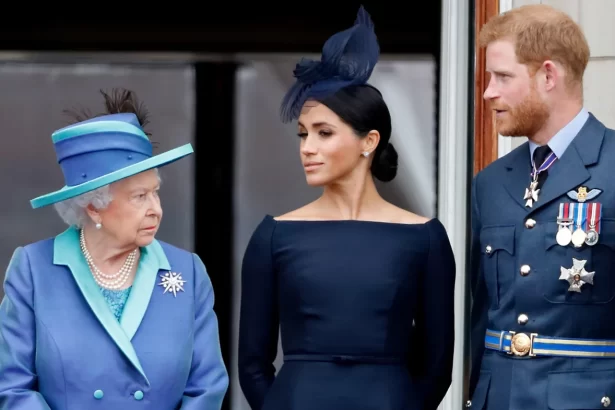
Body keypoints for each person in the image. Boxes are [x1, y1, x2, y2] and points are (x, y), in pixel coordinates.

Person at [238, 7, 456, 410]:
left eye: (324, 133)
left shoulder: (425, 238)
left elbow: (438, 364)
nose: (307, 148)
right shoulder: (273, 235)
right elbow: (252, 363)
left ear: (368, 142)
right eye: (303, 134)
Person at [0, 89, 229, 409]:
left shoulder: (188, 270)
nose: (156, 209)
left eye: (156, 193)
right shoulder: (33, 270)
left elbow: (207, 387)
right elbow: (11, 385)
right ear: (94, 206)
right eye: (139, 197)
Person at [468, 4, 615, 410]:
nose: (488, 92)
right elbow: (483, 315)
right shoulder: (490, 182)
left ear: (548, 75)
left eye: (502, 77)